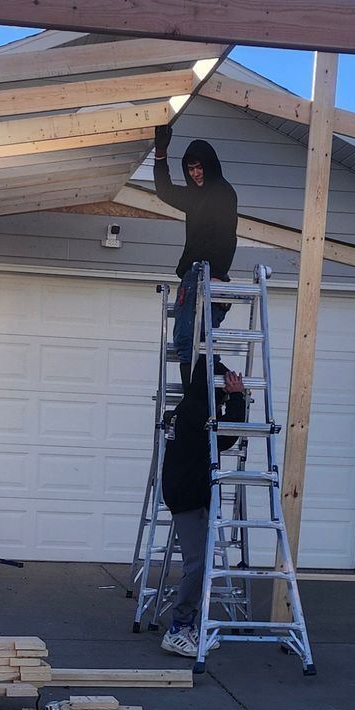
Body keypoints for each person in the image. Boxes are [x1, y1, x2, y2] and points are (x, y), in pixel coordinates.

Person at [159, 350, 246, 659]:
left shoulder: (190, 408)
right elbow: (226, 438)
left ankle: (188, 625)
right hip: (189, 499)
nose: (224, 392)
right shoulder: (197, 412)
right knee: (197, 565)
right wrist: (237, 398)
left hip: (188, 494)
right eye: (221, 386)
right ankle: (178, 628)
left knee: (200, 563)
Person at [152, 128, 239, 387]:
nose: (195, 173)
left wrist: (216, 274)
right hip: (192, 275)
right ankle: (200, 396)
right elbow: (164, 191)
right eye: (190, 169)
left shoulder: (223, 192)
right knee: (186, 342)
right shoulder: (193, 196)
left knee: (197, 341)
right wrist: (160, 153)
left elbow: (227, 235)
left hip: (210, 274)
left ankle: (218, 391)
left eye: (199, 167)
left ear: (209, 165)